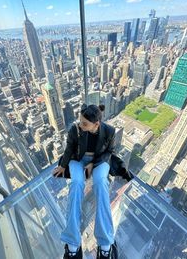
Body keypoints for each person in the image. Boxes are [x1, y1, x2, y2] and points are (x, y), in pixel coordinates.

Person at [53, 104, 117, 259]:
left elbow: (110, 151)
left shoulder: (109, 131)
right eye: (80, 121)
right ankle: (72, 242)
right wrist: (62, 166)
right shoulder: (75, 130)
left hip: (99, 161)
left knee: (101, 184)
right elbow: (69, 149)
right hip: (77, 160)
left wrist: (93, 164)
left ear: (96, 124)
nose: (80, 125)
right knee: (76, 184)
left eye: (85, 124)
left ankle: (105, 243)